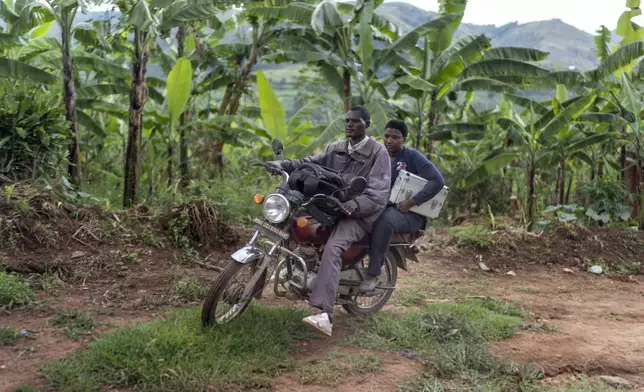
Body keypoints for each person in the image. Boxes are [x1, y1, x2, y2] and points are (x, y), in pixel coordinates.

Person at [267, 106, 391, 336]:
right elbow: (308, 162)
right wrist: (282, 165)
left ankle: (324, 314)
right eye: (347, 121)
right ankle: (292, 270)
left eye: (355, 121)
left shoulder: (378, 152)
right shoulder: (336, 148)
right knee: (294, 223)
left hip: (358, 214)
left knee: (333, 248)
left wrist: (354, 206)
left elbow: (378, 193)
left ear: (367, 124)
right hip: (329, 206)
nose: (349, 124)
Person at [359, 119, 445, 292]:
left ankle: (373, 274)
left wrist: (412, 201)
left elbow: (438, 180)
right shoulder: (379, 155)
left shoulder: (412, 157)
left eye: (395, 137)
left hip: (410, 215)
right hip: (383, 206)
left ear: (403, 139)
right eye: (386, 136)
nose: (389, 140)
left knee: (385, 221)